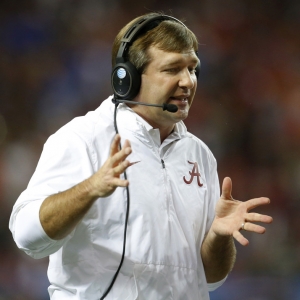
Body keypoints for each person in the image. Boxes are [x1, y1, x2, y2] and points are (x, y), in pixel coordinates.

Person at [9, 12, 273, 300]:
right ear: (127, 78)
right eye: (173, 69)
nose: (188, 82)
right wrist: (90, 189)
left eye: (193, 69)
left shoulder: (199, 154)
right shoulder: (82, 139)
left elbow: (210, 279)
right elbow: (27, 237)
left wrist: (218, 237)